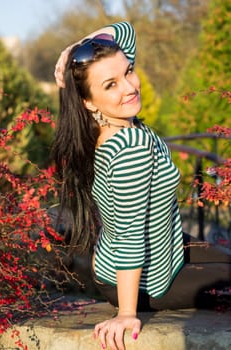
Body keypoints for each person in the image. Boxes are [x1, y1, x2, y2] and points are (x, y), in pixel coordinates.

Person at [53, 21, 230, 350]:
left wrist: (78, 48)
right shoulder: (129, 146)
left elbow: (125, 32)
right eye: (111, 85)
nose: (129, 87)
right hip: (150, 279)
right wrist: (127, 313)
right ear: (89, 103)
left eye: (129, 72)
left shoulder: (112, 125)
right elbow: (131, 234)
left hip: (166, 247)